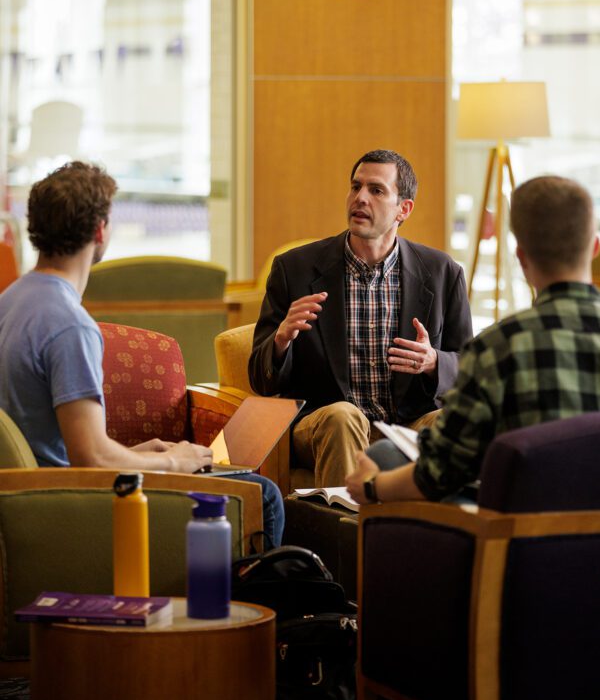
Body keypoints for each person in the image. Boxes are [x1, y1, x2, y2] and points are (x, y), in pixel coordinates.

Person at [0, 162, 284, 545]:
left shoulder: (10, 302)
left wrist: (137, 455)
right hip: (65, 507)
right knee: (263, 494)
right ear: (100, 230)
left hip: (27, 497)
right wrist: (172, 462)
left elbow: (65, 445)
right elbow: (92, 462)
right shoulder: (70, 325)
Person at [346, 174, 600, 506]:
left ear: (521, 256)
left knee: (385, 455)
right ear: (595, 246)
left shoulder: (498, 347)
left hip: (526, 548)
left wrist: (370, 488)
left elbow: (439, 474)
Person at [249, 149, 472, 486]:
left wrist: (433, 362)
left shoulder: (443, 273)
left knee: (456, 423)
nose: (360, 198)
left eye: (376, 190)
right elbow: (259, 378)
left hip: (407, 424)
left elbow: (470, 369)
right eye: (355, 187)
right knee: (344, 416)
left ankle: (440, 534)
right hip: (325, 423)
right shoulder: (293, 269)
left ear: (404, 209)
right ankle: (344, 533)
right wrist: (281, 340)